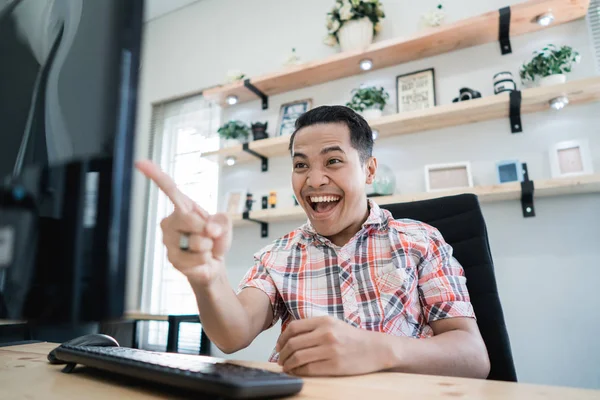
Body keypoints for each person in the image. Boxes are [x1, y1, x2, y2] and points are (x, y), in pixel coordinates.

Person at [136, 105, 490, 378]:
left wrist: (377, 349)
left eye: (333, 161)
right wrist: (207, 277)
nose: (315, 179)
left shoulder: (421, 240)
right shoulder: (278, 255)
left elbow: (473, 357)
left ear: (369, 170)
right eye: (301, 165)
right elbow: (233, 335)